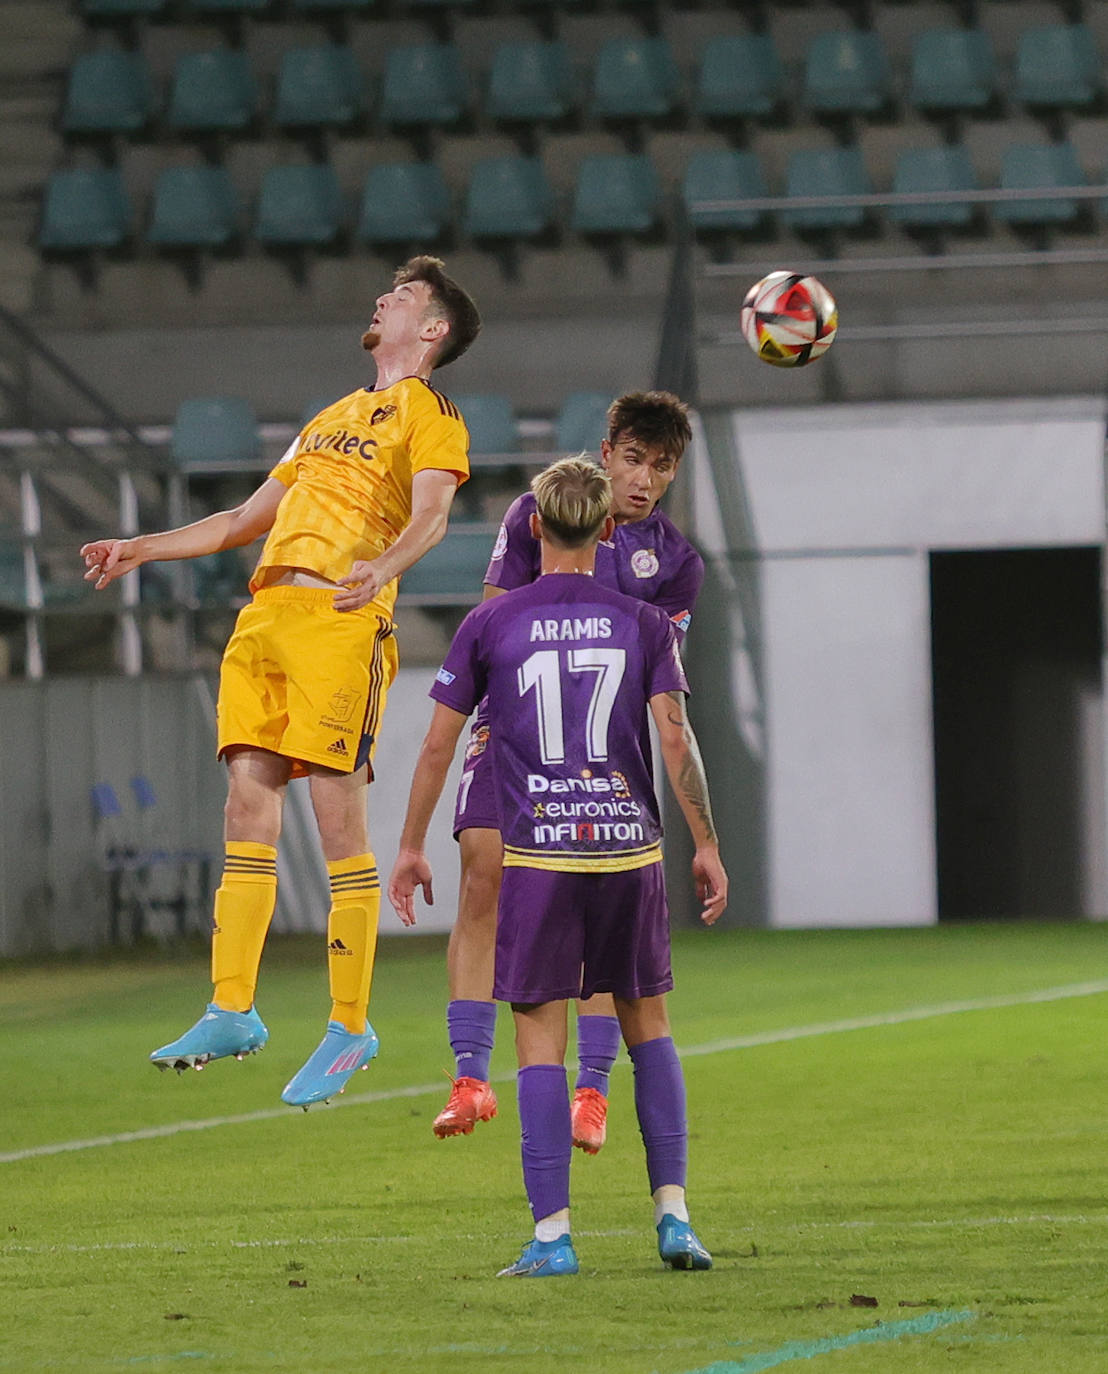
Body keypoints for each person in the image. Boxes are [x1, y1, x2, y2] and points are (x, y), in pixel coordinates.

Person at [80, 255, 481, 1109]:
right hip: (265, 618)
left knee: (337, 821)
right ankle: (233, 1006)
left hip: (340, 621)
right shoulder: (329, 417)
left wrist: (384, 569)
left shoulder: (431, 412)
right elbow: (239, 521)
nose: (383, 299)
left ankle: (349, 1024)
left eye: (402, 296)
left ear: (433, 329)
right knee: (244, 804)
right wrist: (136, 548)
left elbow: (433, 514)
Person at [388, 456, 727, 1277]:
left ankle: (553, 1239)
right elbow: (674, 738)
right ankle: (674, 1219)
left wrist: (409, 844)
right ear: (609, 531)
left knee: (540, 1042)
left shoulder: (490, 625)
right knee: (651, 1032)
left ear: (534, 527)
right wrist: (706, 843)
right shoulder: (642, 623)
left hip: (539, 850)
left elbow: (439, 743)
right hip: (627, 847)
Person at [435, 392, 704, 1152]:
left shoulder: (677, 564)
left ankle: (591, 1088)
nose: (645, 478)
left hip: (605, 750)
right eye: (633, 459)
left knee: (589, 911)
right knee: (483, 869)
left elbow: (659, 676)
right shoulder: (539, 508)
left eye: (662, 466)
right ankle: (468, 1073)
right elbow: (493, 618)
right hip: (515, 726)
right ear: (607, 449)